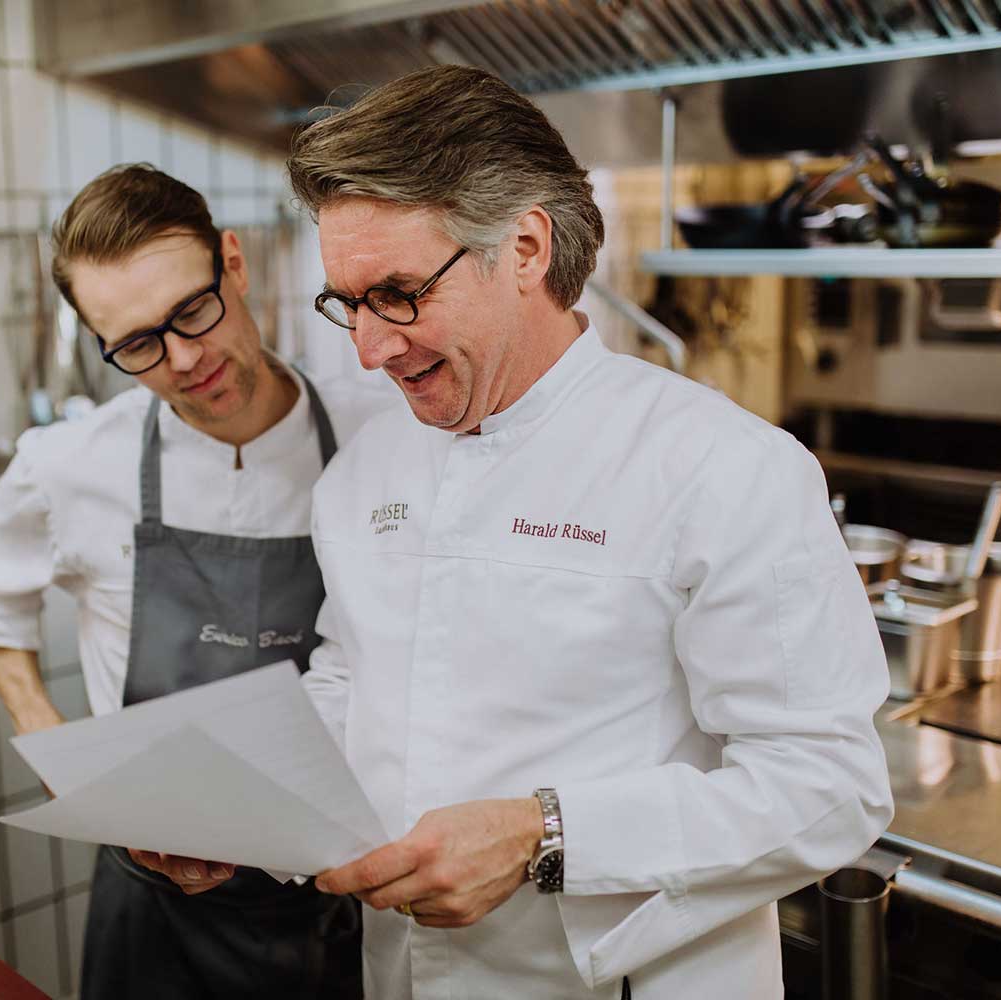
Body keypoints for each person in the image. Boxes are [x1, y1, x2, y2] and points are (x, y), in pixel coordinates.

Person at [284, 66, 895, 999]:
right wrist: (249, 814)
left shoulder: (720, 467)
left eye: (399, 293)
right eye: (349, 302)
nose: (369, 350)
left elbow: (830, 786)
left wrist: (547, 834)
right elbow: (353, 677)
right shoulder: (367, 468)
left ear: (525, 247)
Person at [0, 165, 389, 1000]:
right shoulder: (72, 464)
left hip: (341, 889)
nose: (185, 359)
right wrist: (49, 740)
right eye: (140, 345)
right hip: (155, 903)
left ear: (233, 261)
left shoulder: (380, 434)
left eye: (193, 311)